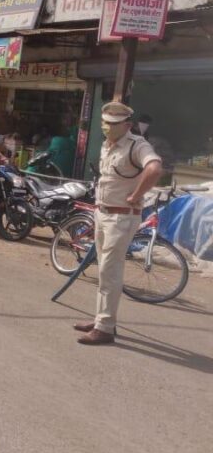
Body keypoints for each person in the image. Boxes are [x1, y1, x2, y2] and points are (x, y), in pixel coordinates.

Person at [74, 102, 162, 346]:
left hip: (122, 217)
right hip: (104, 214)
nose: (108, 128)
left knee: (109, 271)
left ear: (128, 125)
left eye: (114, 124)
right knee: (104, 269)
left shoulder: (137, 145)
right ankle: (103, 319)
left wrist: (136, 195)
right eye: (105, 123)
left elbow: (155, 169)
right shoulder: (107, 145)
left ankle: (104, 328)